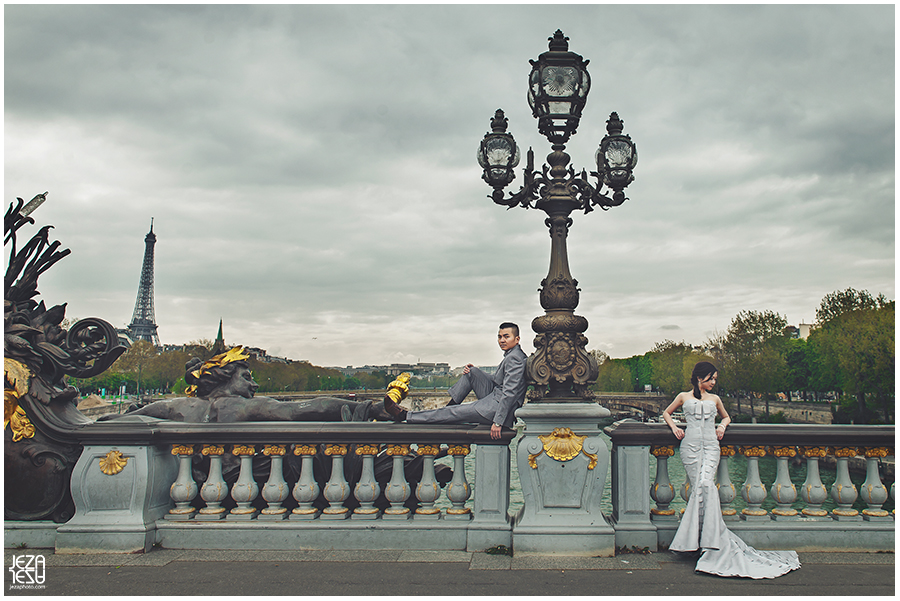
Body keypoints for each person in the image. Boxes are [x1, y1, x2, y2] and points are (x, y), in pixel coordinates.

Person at [662, 361, 800, 579]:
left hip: (710, 446)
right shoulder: (682, 396)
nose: (714, 382)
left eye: (715, 379)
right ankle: (701, 541)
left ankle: (703, 541)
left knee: (706, 485)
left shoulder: (715, 399)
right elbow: (666, 413)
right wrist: (675, 427)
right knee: (698, 489)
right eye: (711, 378)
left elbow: (726, 416)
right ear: (700, 378)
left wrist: (722, 426)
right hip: (689, 448)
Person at [99, 346, 389, 423]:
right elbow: (303, 409)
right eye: (247, 377)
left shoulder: (175, 406)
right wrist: (368, 408)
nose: (255, 384)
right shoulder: (238, 407)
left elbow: (120, 420)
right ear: (226, 377)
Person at [383, 322, 527, 440]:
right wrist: (476, 372)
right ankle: (450, 406)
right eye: (500, 336)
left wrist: (498, 421)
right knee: (472, 372)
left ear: (517, 339)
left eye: (506, 337)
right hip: (494, 397)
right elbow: (499, 382)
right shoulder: (513, 355)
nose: (501, 340)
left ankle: (406, 416)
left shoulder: (514, 358)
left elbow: (509, 393)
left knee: (454, 413)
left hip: (495, 409)